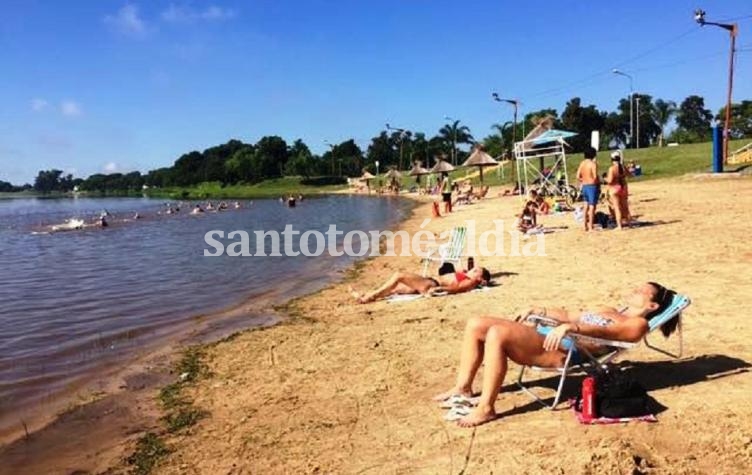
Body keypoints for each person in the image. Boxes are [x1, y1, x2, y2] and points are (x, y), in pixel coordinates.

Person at [434, 282, 681, 427]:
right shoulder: (610, 309)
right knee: (476, 324)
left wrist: (573, 328)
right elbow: (570, 313)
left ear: (653, 306)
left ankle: (486, 407)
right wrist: (539, 310)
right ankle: (463, 387)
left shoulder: (637, 324)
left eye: (641, 291)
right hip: (550, 335)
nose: (634, 289)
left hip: (565, 350)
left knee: (498, 332)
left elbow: (608, 331)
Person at [350, 265, 491, 304]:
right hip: (428, 282)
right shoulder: (467, 277)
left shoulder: (472, 281)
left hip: (430, 284)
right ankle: (364, 295)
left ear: (481, 279)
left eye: (477, 271)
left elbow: (458, 289)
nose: (474, 270)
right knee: (394, 288)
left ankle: (368, 297)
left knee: (399, 275)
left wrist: (440, 289)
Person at [576, 147, 600, 231]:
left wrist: (584, 180)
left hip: (585, 186)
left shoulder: (582, 163)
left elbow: (578, 176)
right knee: (592, 206)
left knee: (586, 206)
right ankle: (590, 226)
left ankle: (584, 225)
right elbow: (595, 176)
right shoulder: (593, 164)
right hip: (592, 186)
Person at [606, 151, 628, 230]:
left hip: (614, 188)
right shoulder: (623, 167)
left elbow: (610, 180)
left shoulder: (612, 168)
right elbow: (629, 174)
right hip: (623, 187)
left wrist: (604, 179)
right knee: (624, 206)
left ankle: (619, 225)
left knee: (617, 207)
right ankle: (628, 221)